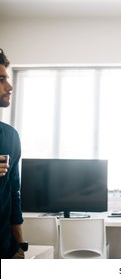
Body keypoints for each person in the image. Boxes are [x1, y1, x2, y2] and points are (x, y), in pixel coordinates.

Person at [0, 48, 26, 259]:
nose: (10, 86)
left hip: (5, 249)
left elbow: (13, 192)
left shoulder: (11, 136)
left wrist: (20, 242)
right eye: (1, 80)